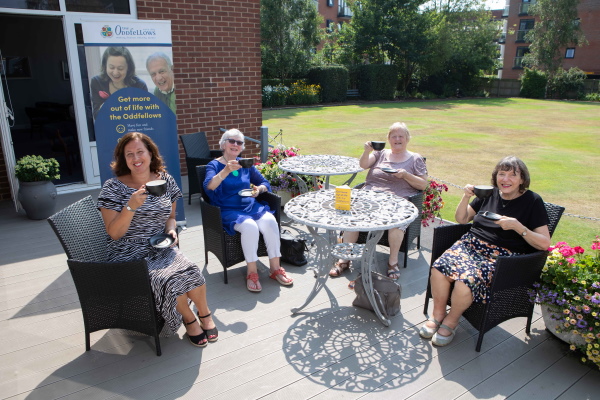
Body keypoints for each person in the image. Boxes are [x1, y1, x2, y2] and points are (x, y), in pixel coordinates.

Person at [97, 132, 217, 347]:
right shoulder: (112, 188)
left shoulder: (166, 180)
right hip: (128, 252)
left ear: (151, 154)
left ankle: (205, 314)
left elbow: (171, 218)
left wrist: (172, 231)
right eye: (130, 154)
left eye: (140, 152)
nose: (136, 158)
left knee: (191, 269)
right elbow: (114, 234)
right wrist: (131, 205)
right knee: (169, 279)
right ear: (123, 159)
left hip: (160, 245)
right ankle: (189, 320)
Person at [419, 156, 550, 346]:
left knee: (466, 282)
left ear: (522, 179)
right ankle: (438, 314)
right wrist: (466, 196)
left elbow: (545, 243)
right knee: (439, 268)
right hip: (469, 245)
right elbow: (462, 219)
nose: (505, 179)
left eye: (513, 175)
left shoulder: (532, 201)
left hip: (501, 257)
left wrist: (517, 227)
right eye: (501, 174)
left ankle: (451, 320)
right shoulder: (490, 194)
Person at [331, 122, 428, 280]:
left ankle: (393, 262)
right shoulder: (380, 153)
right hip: (370, 199)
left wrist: (405, 175)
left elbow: (423, 184)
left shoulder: (415, 159)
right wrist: (366, 151)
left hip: (398, 201)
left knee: (396, 225)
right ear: (388, 139)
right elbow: (363, 165)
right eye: (393, 136)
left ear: (407, 139)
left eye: (401, 136)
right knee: (352, 218)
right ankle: (345, 259)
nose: (397, 139)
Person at [203, 129, 293, 292]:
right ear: (223, 144)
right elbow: (209, 186)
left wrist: (259, 189)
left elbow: (265, 182)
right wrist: (225, 171)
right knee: (250, 227)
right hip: (228, 209)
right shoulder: (214, 165)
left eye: (239, 142)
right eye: (232, 141)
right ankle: (252, 273)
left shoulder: (245, 164)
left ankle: (275, 268)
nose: (235, 145)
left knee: (271, 222)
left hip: (251, 206)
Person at [90, 47, 148, 118]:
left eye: (120, 68)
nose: (115, 73)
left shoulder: (140, 85)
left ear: (128, 68)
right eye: (111, 67)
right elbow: (96, 115)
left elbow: (145, 116)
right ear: (105, 66)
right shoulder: (96, 82)